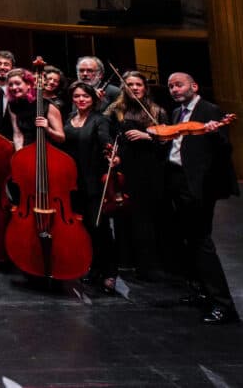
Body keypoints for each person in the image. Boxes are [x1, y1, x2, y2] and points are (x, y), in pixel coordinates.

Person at [161, 71, 239, 324]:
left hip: (198, 186)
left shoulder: (209, 110)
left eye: (179, 85)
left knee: (201, 242)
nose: (174, 89)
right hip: (178, 180)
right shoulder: (177, 114)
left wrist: (215, 132)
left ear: (193, 86)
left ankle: (223, 305)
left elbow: (225, 148)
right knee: (188, 240)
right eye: (171, 86)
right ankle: (202, 292)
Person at [105, 70, 167, 280]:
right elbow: (109, 135)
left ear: (145, 87)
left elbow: (167, 141)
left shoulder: (156, 111)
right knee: (124, 214)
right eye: (130, 85)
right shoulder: (115, 110)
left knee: (146, 215)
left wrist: (148, 135)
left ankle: (148, 262)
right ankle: (126, 260)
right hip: (124, 167)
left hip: (149, 168)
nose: (134, 88)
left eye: (138, 84)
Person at [63, 81, 117, 292]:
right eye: (76, 96)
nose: (80, 100)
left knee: (99, 227)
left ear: (93, 99)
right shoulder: (69, 119)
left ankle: (110, 272)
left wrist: (111, 152)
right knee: (84, 227)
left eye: (85, 96)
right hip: (72, 181)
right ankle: (93, 268)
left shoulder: (99, 120)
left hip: (92, 180)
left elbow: (106, 139)